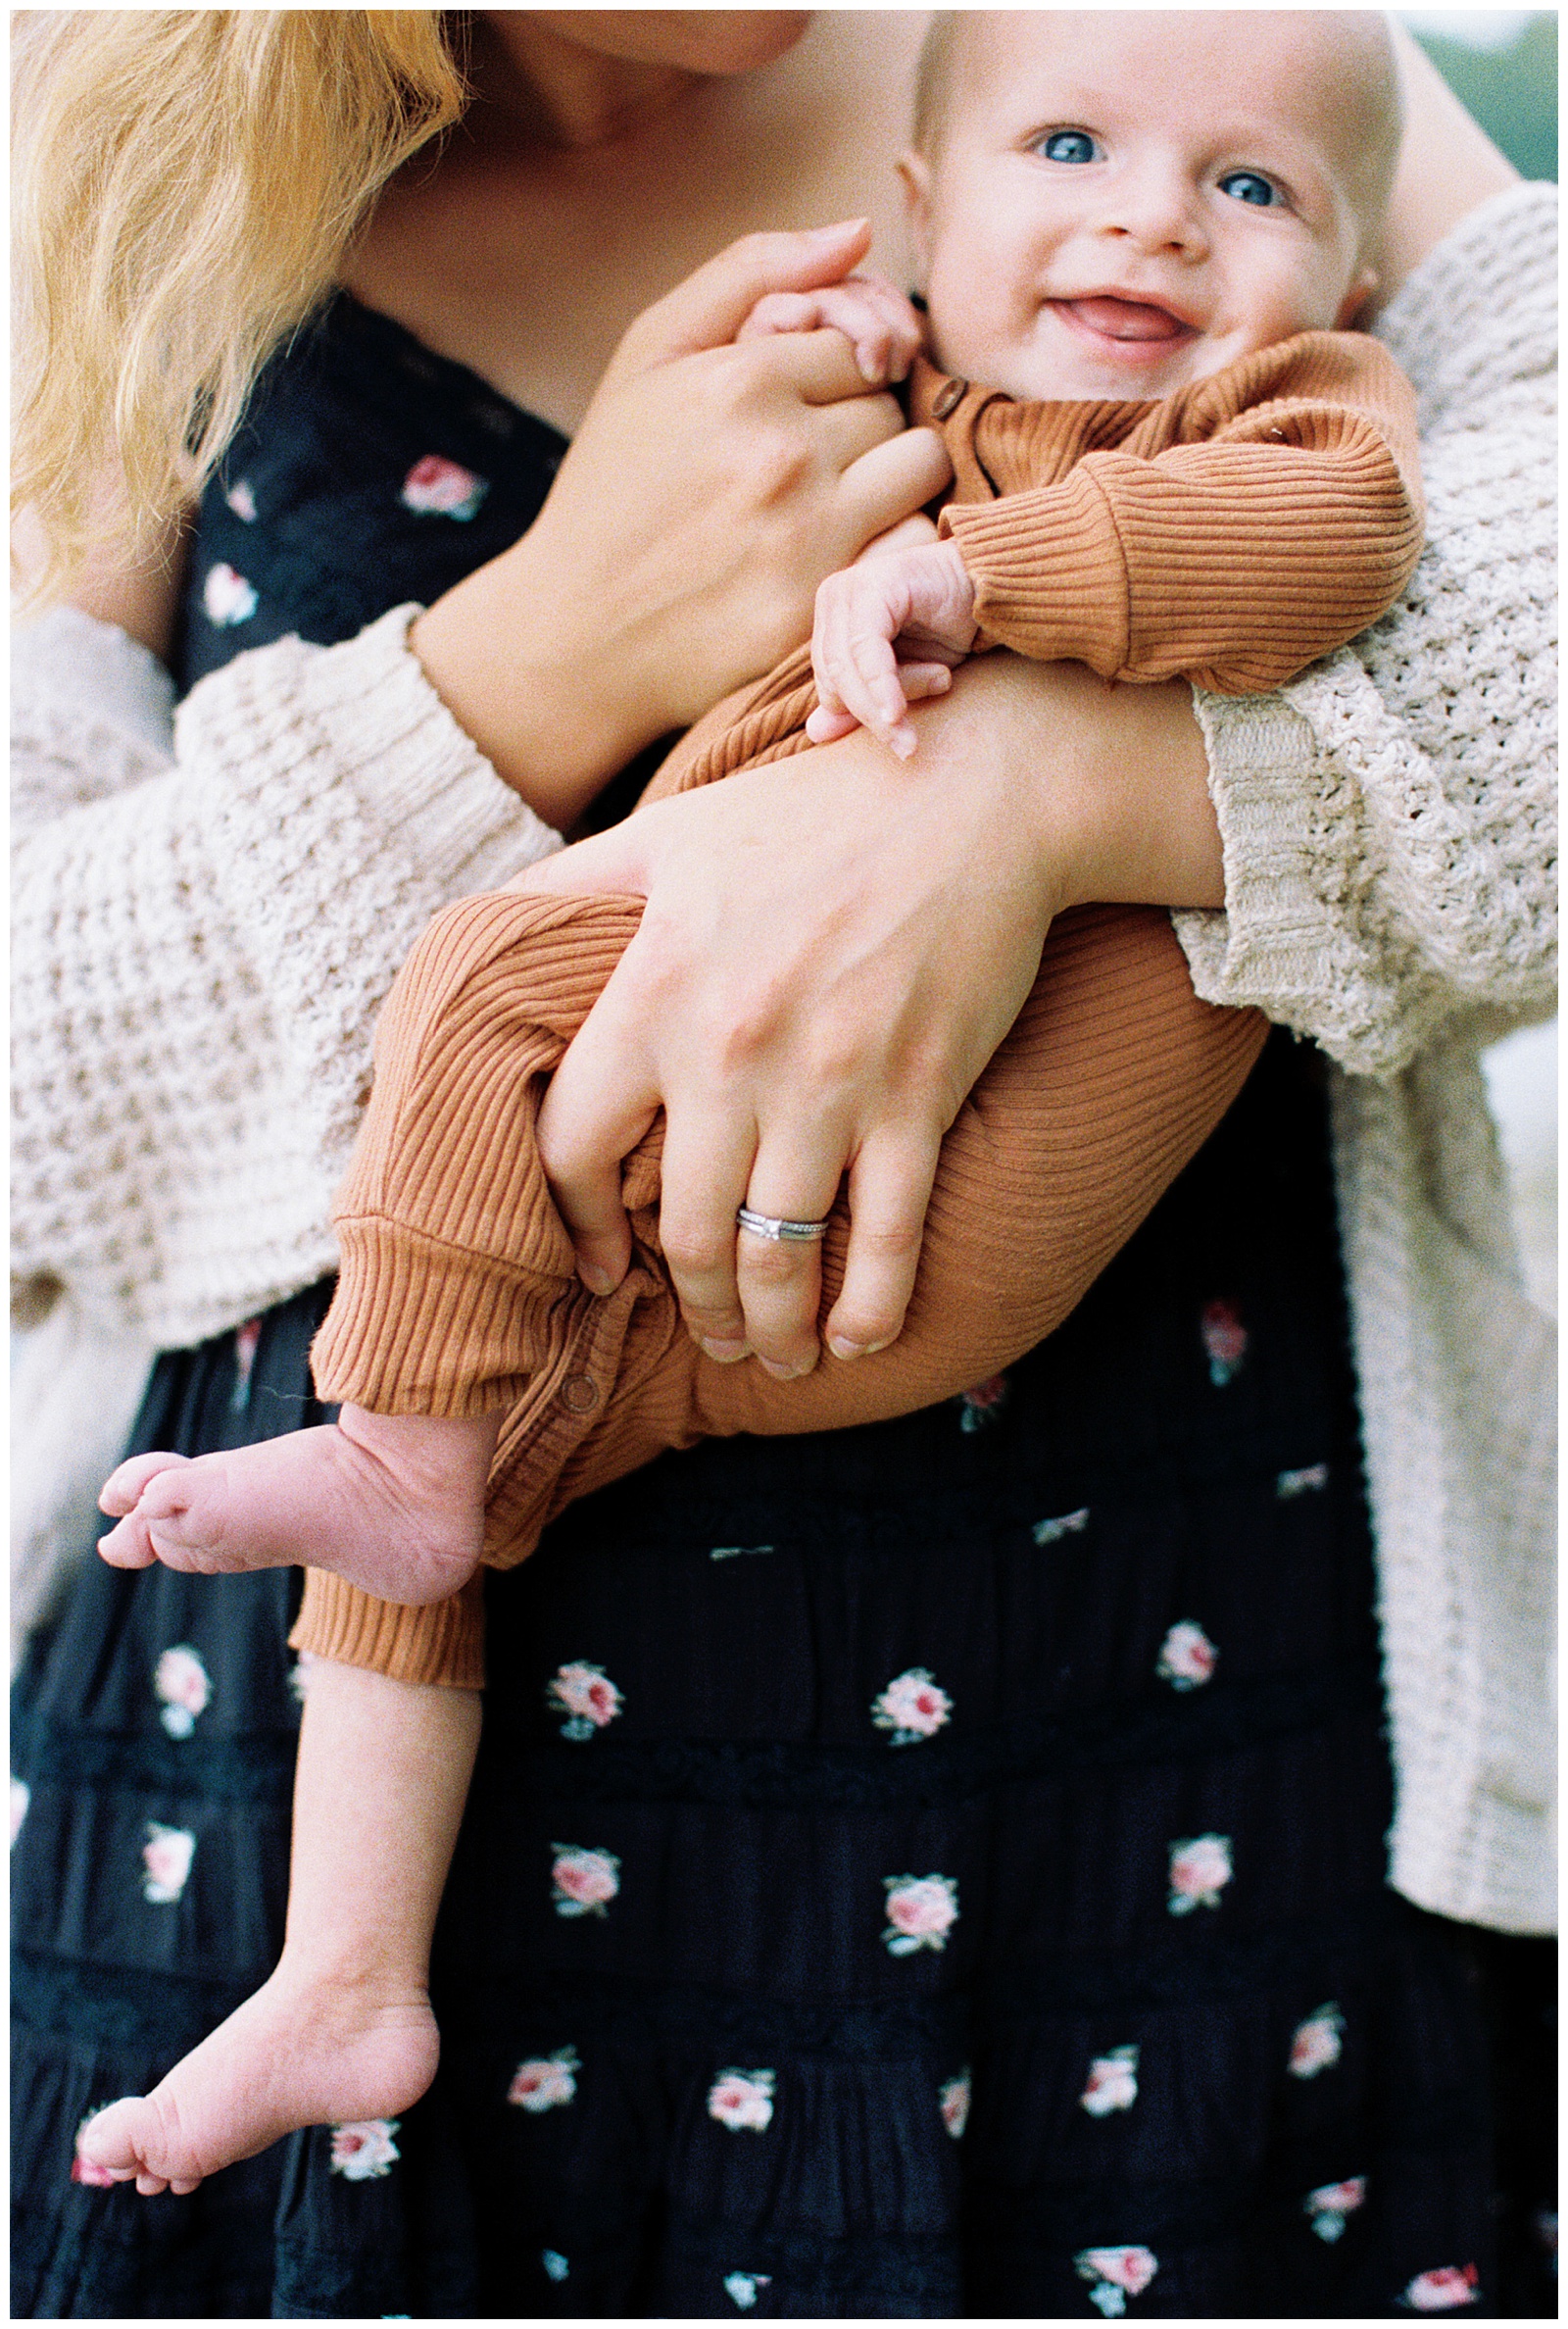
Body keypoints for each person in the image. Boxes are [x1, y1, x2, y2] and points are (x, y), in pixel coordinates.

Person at [12, 10, 1554, 2319]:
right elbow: (29, 1102)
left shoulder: (1189, 52)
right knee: (446, 1455)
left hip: (1174, 1775)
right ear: (932, 208)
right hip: (341, 1797)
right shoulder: (106, 164)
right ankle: (348, 1919)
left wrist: (1033, 789)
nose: (1152, 214)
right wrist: (531, 665)